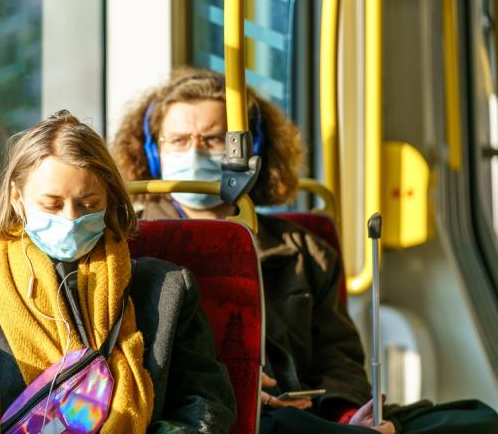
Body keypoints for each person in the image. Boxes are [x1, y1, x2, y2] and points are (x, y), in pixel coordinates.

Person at [111, 68, 498, 434]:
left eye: (212, 140)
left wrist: (346, 413)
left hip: (309, 412)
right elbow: (137, 361)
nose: (194, 152)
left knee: (478, 419)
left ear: (249, 150)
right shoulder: (133, 243)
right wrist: (242, 391)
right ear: (153, 151)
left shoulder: (303, 249)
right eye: (178, 141)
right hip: (215, 411)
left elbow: (338, 359)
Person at [0, 110, 236, 433]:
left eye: (88, 204)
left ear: (109, 201)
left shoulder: (165, 290)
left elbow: (207, 401)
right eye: (52, 204)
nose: (71, 218)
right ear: (18, 201)